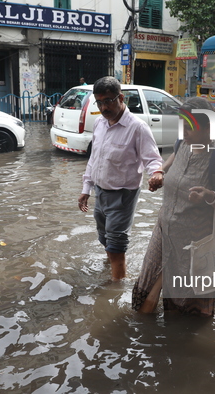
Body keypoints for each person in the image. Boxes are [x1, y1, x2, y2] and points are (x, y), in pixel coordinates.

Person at [132, 97, 215, 316]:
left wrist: (210, 197)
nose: (184, 131)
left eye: (189, 126)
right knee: (146, 288)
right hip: (164, 231)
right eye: (182, 124)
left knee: (186, 307)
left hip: (195, 244)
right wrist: (159, 174)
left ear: (209, 127)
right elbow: (168, 165)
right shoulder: (183, 145)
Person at [78, 76, 164, 281]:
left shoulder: (137, 127)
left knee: (116, 245)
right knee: (104, 238)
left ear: (121, 98)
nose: (103, 107)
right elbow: (94, 160)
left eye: (108, 100)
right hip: (100, 193)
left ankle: (115, 294)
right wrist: (86, 189)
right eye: (99, 102)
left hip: (123, 195)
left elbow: (152, 158)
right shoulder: (99, 123)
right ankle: (112, 266)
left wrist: (157, 173)